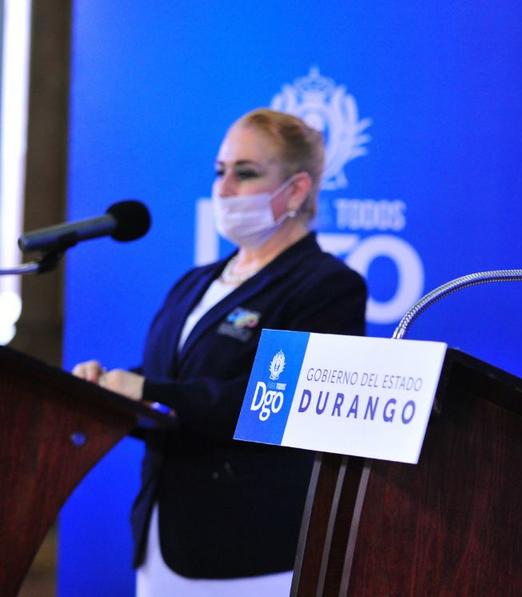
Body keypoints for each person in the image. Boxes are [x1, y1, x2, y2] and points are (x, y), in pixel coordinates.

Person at [73, 108, 367, 595]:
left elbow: (274, 403)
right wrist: (106, 388)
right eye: (219, 171)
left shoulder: (327, 286)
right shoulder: (195, 282)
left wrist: (149, 390)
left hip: (250, 551)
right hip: (162, 540)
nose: (224, 189)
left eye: (245, 173)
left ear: (297, 189)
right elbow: (171, 378)